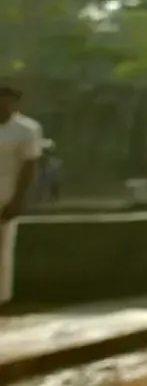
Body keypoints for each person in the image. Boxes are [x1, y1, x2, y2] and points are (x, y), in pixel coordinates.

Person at [1, 85, 45, 309]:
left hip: (6, 195)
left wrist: (18, 200)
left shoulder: (27, 129)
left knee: (2, 249)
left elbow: (29, 166)